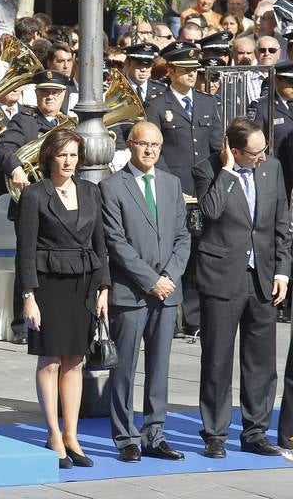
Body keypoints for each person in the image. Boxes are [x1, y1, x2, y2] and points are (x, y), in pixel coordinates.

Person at [194, 117, 291, 459]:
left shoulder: (272, 168)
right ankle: (215, 433)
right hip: (222, 276)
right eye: (255, 152)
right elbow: (211, 211)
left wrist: (282, 270)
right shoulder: (209, 169)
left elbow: (281, 223)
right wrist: (228, 172)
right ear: (234, 152)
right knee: (217, 360)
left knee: (261, 362)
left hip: (263, 277)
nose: (263, 156)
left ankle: (255, 431)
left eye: (265, 149)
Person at [17, 129, 109, 469]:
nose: (68, 161)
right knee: (50, 360)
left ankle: (72, 434)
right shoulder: (35, 195)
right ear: (49, 157)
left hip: (83, 284)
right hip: (48, 285)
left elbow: (101, 244)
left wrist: (104, 289)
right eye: (62, 155)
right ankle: (53, 433)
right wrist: (28, 296)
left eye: (73, 154)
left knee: (76, 361)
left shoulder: (90, 190)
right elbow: (25, 251)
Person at [100, 121, 191, 463]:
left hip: (167, 292)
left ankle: (155, 433)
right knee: (124, 368)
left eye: (155, 144)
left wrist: (168, 276)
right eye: (143, 144)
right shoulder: (112, 187)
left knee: (160, 366)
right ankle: (126, 437)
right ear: (130, 145)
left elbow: (183, 236)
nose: (150, 150)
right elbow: (116, 242)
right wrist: (150, 279)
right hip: (132, 292)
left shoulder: (171, 184)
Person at [144, 42, 222, 338]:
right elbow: (154, 148)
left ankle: (195, 317)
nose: (192, 75)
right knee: (177, 249)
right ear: (173, 71)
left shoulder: (206, 103)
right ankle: (178, 312)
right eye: (186, 70)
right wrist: (170, 185)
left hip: (202, 189)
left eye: (194, 70)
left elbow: (215, 144)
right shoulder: (157, 104)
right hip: (174, 190)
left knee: (200, 248)